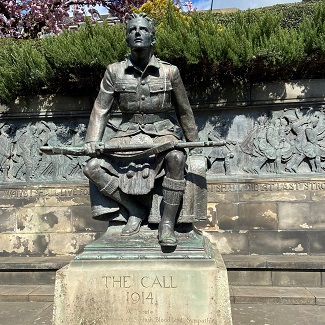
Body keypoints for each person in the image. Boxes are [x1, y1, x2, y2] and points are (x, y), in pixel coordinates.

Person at [83, 13, 200, 246]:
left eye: (143, 29)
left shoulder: (170, 72)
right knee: (92, 167)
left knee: (176, 157)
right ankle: (133, 209)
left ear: (152, 37)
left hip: (162, 133)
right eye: (132, 30)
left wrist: (194, 144)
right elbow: (101, 109)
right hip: (126, 136)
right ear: (127, 38)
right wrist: (92, 140)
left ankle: (167, 224)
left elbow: (184, 110)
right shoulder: (114, 71)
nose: (137, 32)